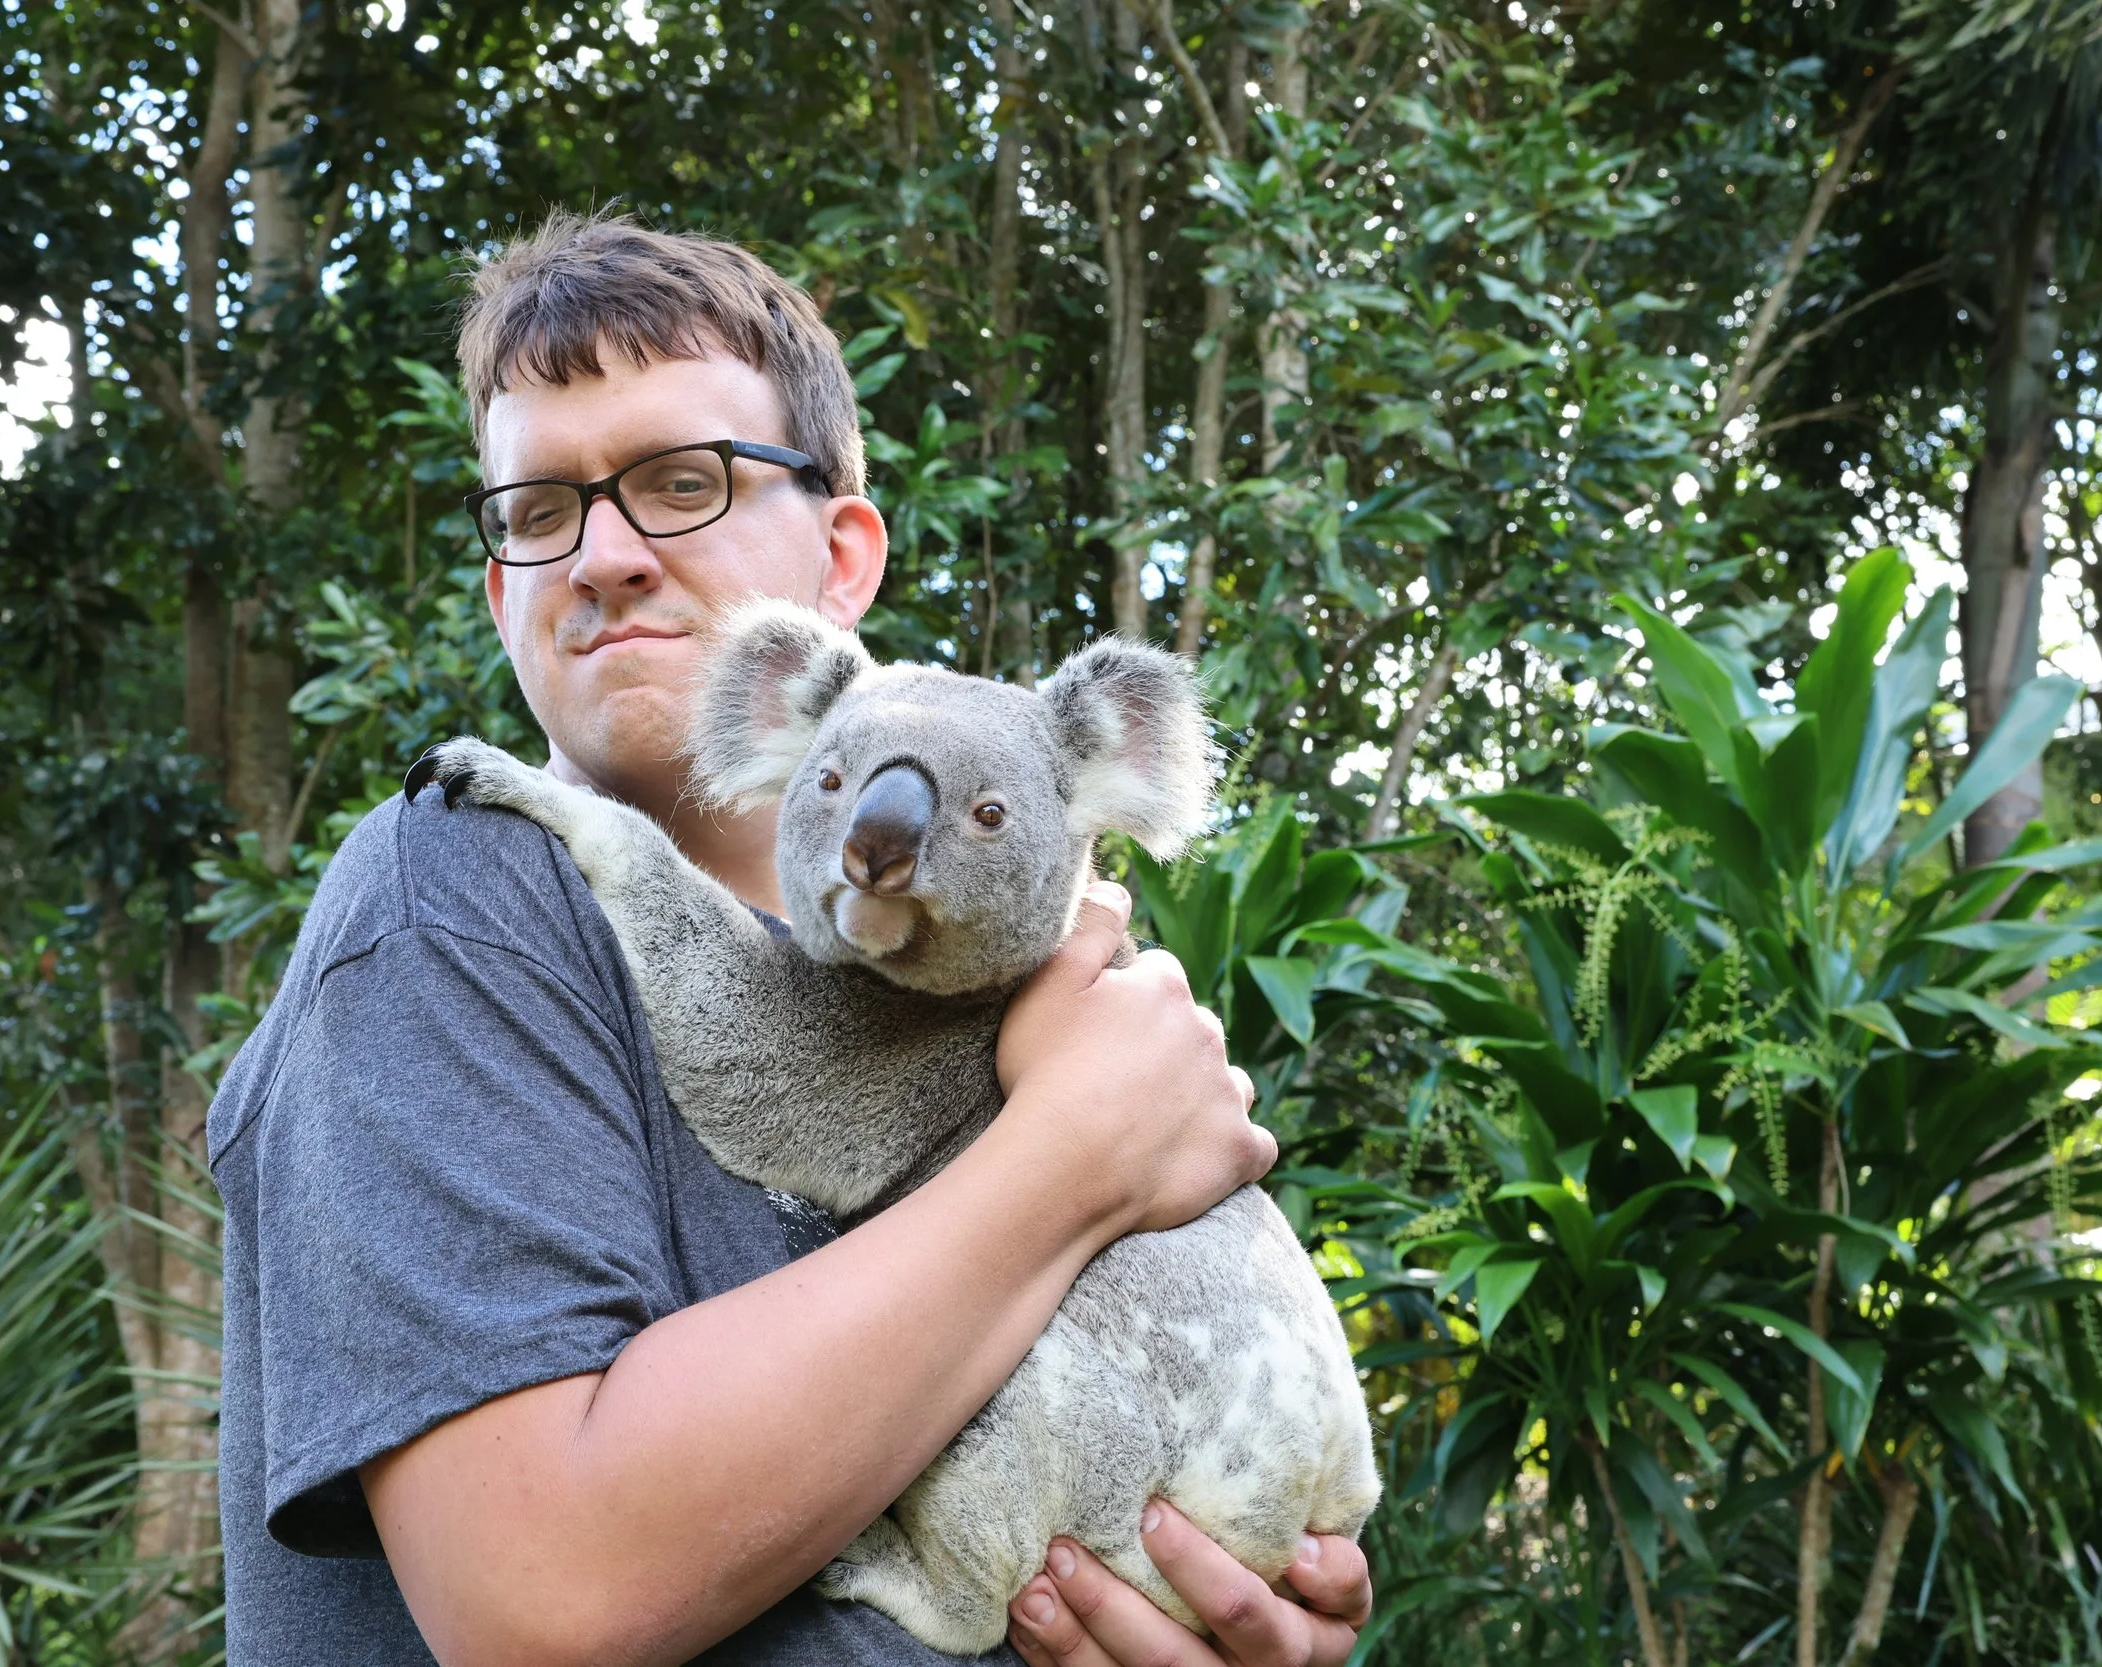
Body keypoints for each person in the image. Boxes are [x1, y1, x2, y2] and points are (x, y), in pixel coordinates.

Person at [207, 211, 1375, 1667]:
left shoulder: (1022, 999)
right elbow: (540, 1600)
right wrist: (1075, 1151)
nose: (605, 556)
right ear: (500, 581)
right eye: (537, 510)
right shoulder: (456, 891)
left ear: (843, 556)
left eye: (681, 482)